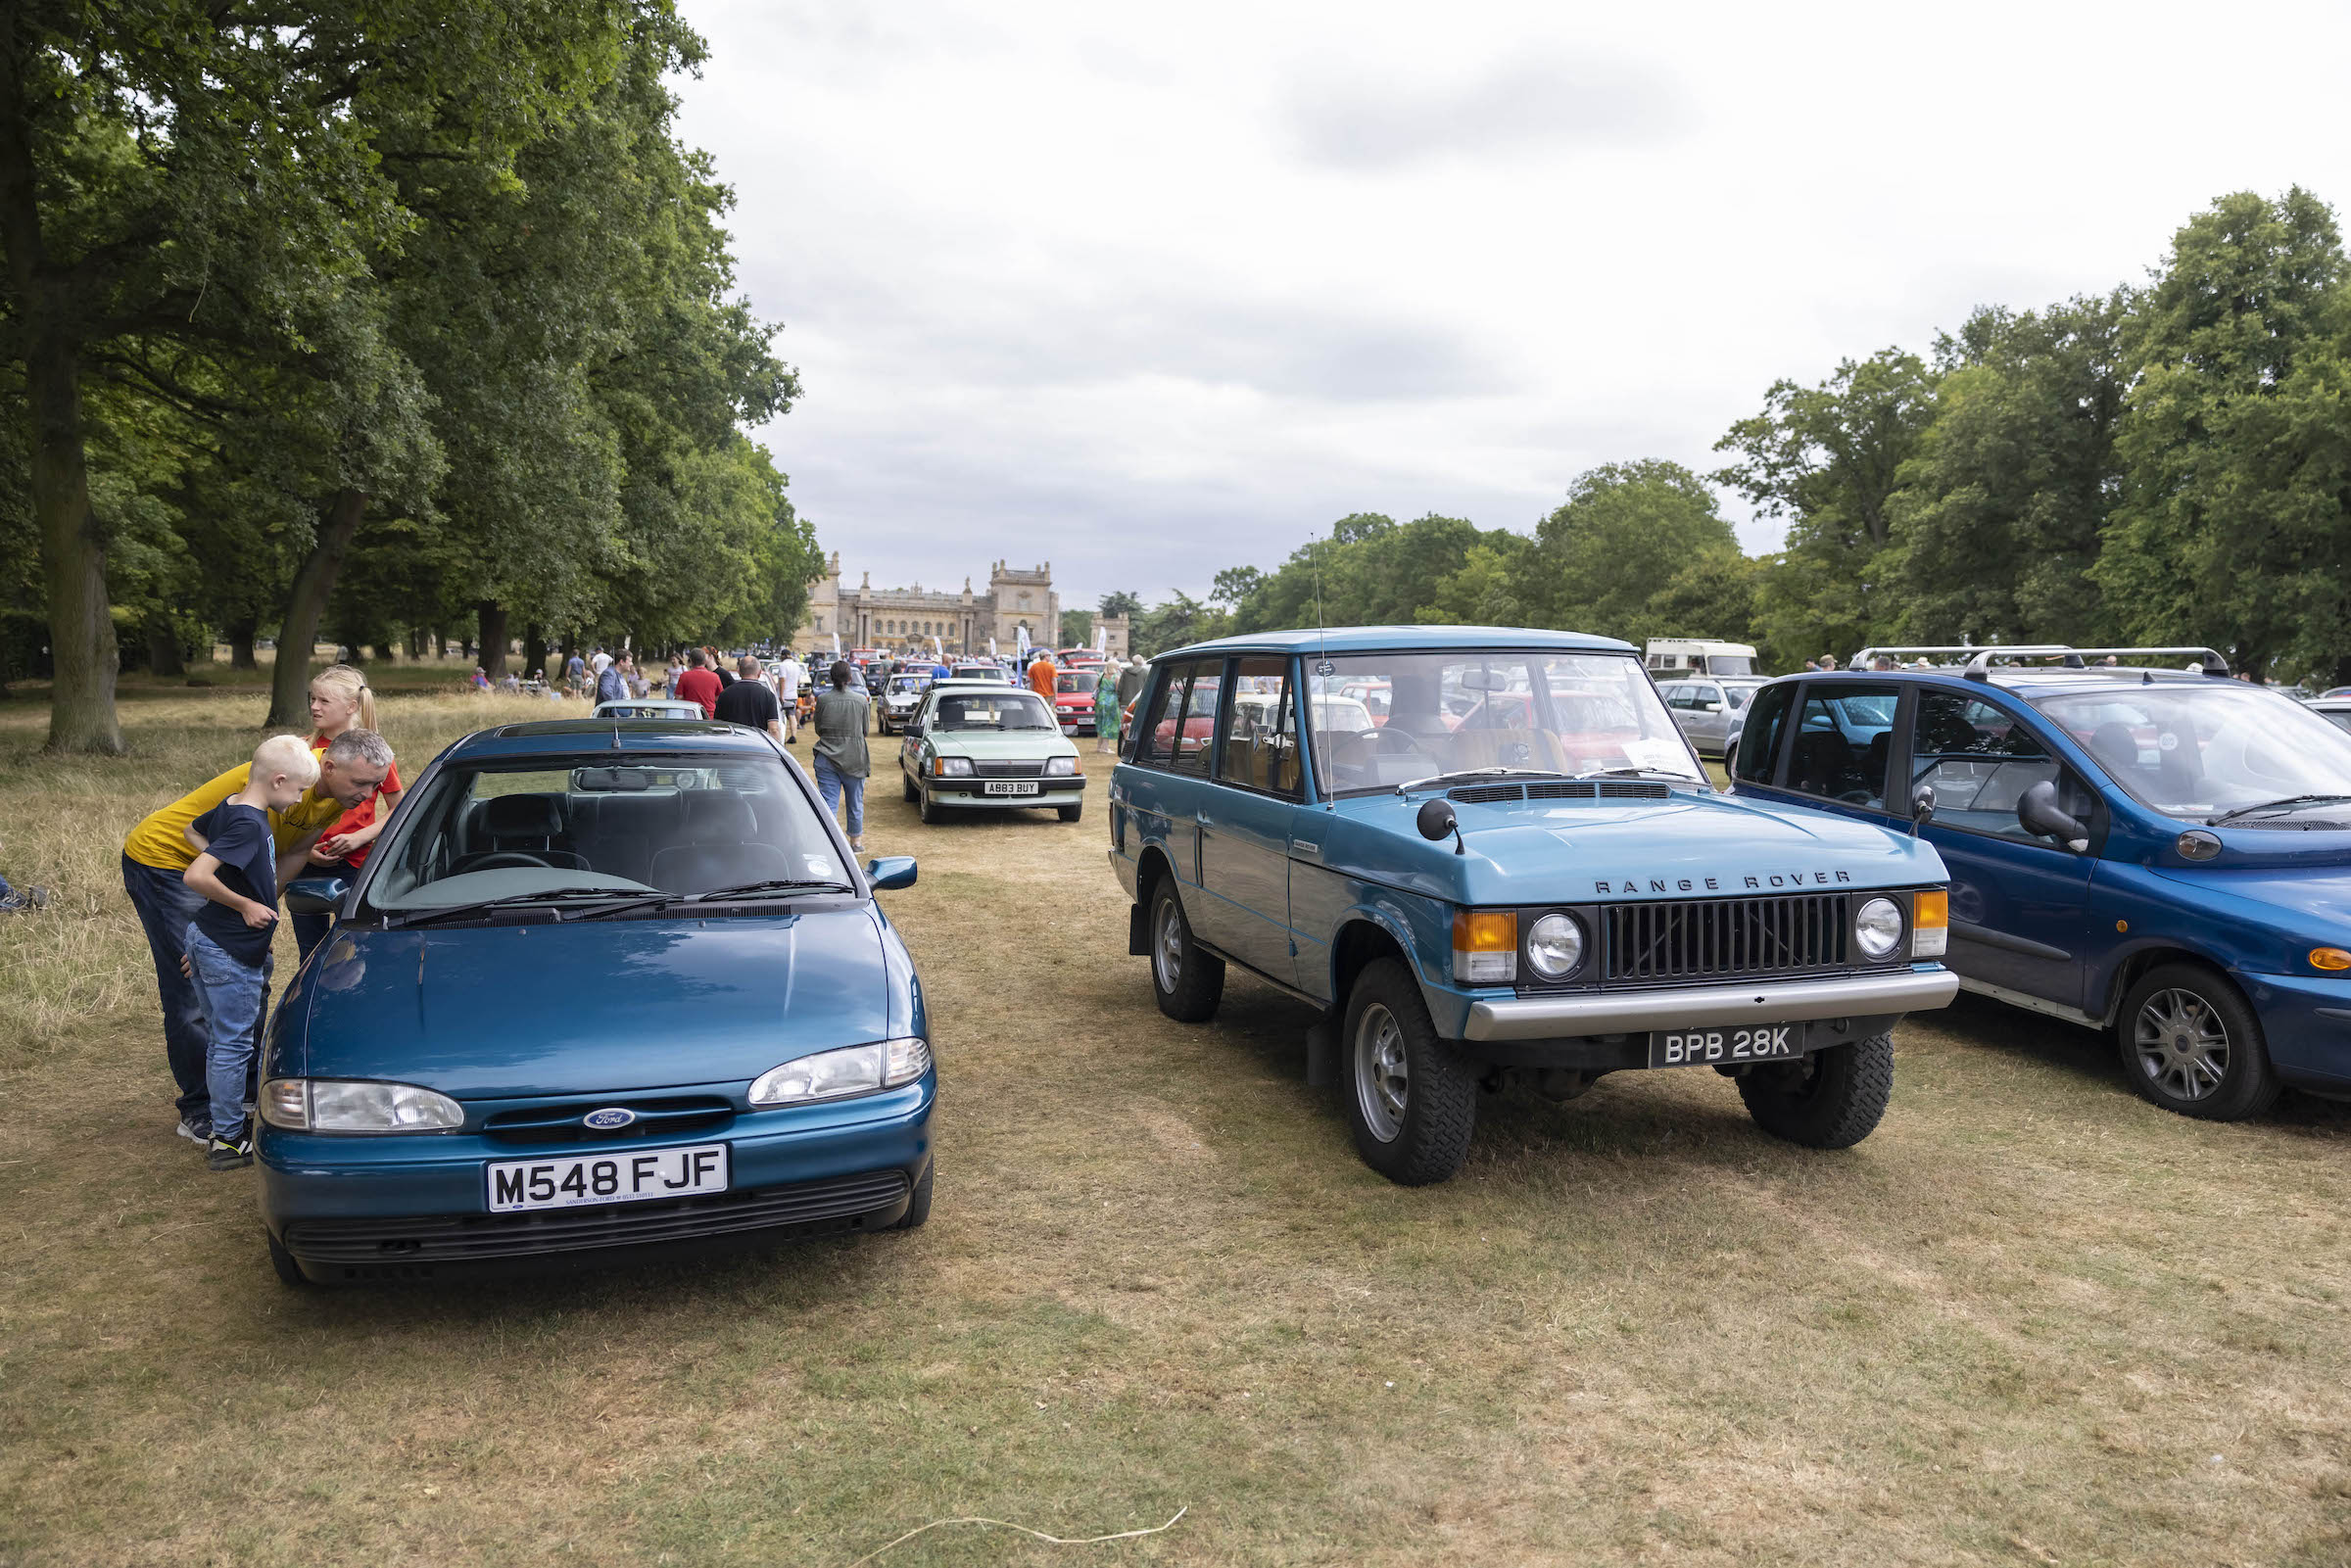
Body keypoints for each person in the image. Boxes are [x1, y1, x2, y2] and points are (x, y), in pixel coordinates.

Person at [121, 730, 394, 1145]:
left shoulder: (321, 794)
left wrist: (258, 920)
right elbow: (201, 841)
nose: (368, 794)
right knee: (194, 987)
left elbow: (293, 854)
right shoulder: (279, 774)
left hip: (224, 878)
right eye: (360, 783)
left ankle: (242, 1096)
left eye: (375, 784)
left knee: (246, 971)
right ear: (330, 766)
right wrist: (211, 935)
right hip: (168, 862)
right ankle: (201, 1110)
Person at [180, 736, 320, 1170]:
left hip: (208, 938)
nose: (298, 799)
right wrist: (242, 902)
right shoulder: (250, 824)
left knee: (226, 1039)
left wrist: (234, 868)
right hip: (228, 947)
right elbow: (195, 876)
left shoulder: (230, 805)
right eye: (297, 790)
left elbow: (193, 831)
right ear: (278, 779)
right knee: (231, 1042)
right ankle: (227, 1139)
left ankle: (232, 1117)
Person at [294, 665, 405, 962]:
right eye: (312, 699)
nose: (314, 707)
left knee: (358, 945)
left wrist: (359, 837)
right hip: (304, 865)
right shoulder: (301, 749)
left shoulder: (374, 754)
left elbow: (399, 809)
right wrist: (305, 852)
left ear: (351, 707)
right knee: (312, 952)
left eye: (324, 701)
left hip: (355, 866)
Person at [813, 660, 872, 853]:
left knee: (829, 802)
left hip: (827, 755)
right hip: (854, 757)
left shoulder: (822, 700)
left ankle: (830, 841)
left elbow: (818, 728)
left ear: (831, 677)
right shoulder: (861, 700)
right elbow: (865, 730)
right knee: (855, 801)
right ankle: (855, 842)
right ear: (849, 678)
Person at [715, 655, 785, 741]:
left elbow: (717, 726)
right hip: (758, 746)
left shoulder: (725, 694)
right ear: (759, 673)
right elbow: (773, 729)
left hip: (731, 745)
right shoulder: (768, 695)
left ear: (739, 672)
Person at [674, 647, 723, 717]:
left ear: (691, 661)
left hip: (691, 714)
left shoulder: (684, 676)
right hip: (709, 715)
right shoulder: (715, 677)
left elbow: (678, 697)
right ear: (705, 661)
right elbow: (720, 697)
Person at [1093, 663, 1122, 754]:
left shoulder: (1101, 675)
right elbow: (1117, 690)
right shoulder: (1116, 677)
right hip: (1111, 702)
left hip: (1100, 701)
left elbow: (1095, 688)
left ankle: (1099, 746)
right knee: (1108, 723)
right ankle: (1105, 748)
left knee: (1100, 722)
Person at [775, 650, 802, 743]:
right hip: (793, 694)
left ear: (783, 656)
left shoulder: (783, 665)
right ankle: (793, 735)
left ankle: (779, 736)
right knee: (792, 715)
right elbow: (798, 682)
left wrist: (781, 695)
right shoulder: (796, 665)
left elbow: (782, 680)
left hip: (784, 695)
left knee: (780, 716)